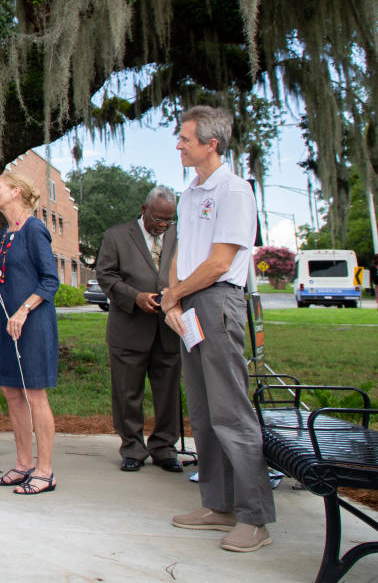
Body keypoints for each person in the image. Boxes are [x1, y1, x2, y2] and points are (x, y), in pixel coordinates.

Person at [160, 105, 275, 552]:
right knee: (205, 412)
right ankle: (219, 503)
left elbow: (221, 261)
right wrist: (172, 298)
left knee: (231, 412)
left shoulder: (235, 191)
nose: (179, 146)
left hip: (217, 301)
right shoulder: (189, 193)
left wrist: (178, 294)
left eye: (185, 139)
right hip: (189, 302)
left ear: (211, 143)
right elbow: (180, 255)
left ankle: (255, 517)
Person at [0, 171, 60, 495]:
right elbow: (17, 275)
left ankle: (45, 470)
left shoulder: (34, 229)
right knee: (12, 391)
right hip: (9, 324)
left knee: (35, 394)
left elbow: (50, 280)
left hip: (32, 324)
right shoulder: (7, 233)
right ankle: (24, 463)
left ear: (15, 192)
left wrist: (24, 311)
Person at [95, 186, 183, 473]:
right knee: (127, 392)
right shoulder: (117, 236)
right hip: (129, 327)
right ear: (144, 209)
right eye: (158, 218)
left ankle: (164, 447)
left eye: (168, 220)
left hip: (168, 330)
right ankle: (132, 446)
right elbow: (105, 275)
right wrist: (135, 297)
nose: (162, 225)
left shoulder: (177, 236)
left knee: (168, 393)